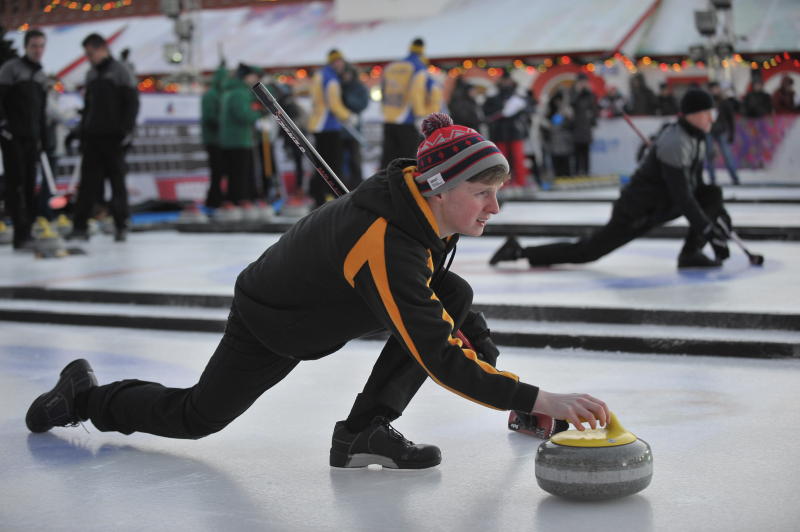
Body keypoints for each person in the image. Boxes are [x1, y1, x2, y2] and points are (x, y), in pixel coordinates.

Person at [25, 112, 610, 471]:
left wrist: (515, 397)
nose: (495, 207)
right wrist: (536, 398)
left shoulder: (415, 210)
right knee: (198, 416)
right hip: (273, 317)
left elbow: (457, 317)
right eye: (482, 192)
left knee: (450, 293)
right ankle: (82, 398)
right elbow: (437, 353)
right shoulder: (389, 240)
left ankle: (362, 434)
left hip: (336, 302)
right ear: (437, 189)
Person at [490, 88, 732, 270]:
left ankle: (691, 253)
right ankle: (519, 251)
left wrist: (718, 216)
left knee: (712, 194)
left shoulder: (696, 137)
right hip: (637, 210)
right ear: (692, 114)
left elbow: (698, 188)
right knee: (588, 251)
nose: (712, 119)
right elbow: (684, 195)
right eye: (708, 113)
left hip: (661, 204)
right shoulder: (675, 142)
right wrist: (708, 230)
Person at [67, 33, 139, 242]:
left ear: (102, 49)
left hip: (114, 138)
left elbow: (132, 103)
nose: (89, 58)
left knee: (117, 183)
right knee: (88, 184)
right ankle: (80, 226)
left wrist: (126, 131)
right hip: (93, 138)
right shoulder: (91, 74)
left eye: (90, 53)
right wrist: (80, 131)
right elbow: (89, 108)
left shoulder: (120, 72)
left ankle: (121, 224)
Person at [0, 28, 48, 251]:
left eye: (41, 46)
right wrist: (4, 127)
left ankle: (27, 230)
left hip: (32, 138)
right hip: (13, 137)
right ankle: (20, 232)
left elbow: (41, 111)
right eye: (34, 46)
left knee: (30, 185)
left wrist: (44, 139)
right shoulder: (11, 69)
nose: (38, 50)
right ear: (25, 46)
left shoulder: (40, 74)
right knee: (16, 183)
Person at [380, 38, 441, 169]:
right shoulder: (418, 68)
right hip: (408, 119)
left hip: (389, 118)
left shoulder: (391, 67)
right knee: (407, 162)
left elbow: (383, 91)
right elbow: (417, 92)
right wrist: (420, 116)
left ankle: (384, 188)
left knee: (388, 161)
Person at [307, 49, 354, 206]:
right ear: (333, 62)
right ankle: (333, 199)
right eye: (339, 62)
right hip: (328, 125)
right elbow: (334, 104)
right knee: (332, 165)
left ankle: (318, 197)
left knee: (321, 164)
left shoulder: (321, 75)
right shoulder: (331, 78)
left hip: (319, 125)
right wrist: (347, 116)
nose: (341, 65)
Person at [218, 63, 263, 208]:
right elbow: (242, 115)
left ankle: (235, 199)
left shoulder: (232, 91)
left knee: (235, 172)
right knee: (240, 172)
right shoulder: (239, 92)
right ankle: (239, 199)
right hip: (239, 139)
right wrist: (259, 114)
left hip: (233, 139)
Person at [483, 71, 533, 189]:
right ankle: (503, 183)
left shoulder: (519, 96)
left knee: (518, 158)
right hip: (499, 132)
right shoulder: (494, 97)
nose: (506, 83)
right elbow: (487, 113)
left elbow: (530, 109)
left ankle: (520, 182)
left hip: (515, 131)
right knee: (501, 160)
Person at [338, 61, 369, 191]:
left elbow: (362, 103)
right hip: (339, 129)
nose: (346, 76)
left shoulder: (358, 87)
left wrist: (349, 102)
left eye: (348, 73)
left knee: (354, 159)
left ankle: (356, 187)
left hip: (354, 129)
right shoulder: (338, 86)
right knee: (340, 160)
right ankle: (342, 185)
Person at [201, 62, 228, 208]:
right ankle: (213, 200)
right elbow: (210, 118)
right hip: (213, 139)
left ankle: (217, 198)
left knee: (221, 171)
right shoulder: (211, 95)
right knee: (216, 171)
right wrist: (225, 123)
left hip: (221, 139)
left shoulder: (220, 94)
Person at [706, 81, 741, 186]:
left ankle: (734, 177)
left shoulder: (724, 102)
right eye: (712, 89)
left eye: (715, 88)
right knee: (710, 156)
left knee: (727, 155)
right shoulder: (707, 102)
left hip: (721, 131)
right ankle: (712, 179)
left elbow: (731, 119)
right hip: (709, 132)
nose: (714, 91)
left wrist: (731, 134)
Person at [569, 73, 598, 176]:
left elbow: (594, 106)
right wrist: (578, 92)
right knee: (576, 151)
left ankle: (586, 172)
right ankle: (577, 172)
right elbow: (571, 103)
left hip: (585, 127)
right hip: (576, 127)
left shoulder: (589, 94)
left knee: (586, 151)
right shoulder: (572, 93)